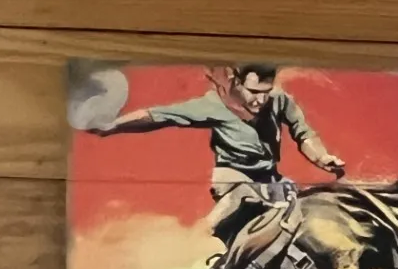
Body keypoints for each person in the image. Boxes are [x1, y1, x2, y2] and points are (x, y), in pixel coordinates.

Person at [91, 64, 347, 241]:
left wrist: (323, 158)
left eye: (265, 94)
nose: (260, 100)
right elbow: (159, 116)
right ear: (237, 82)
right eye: (253, 92)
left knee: (310, 209)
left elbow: (303, 133)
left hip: (271, 179)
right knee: (243, 197)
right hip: (233, 180)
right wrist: (112, 126)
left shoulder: (280, 101)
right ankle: (202, 240)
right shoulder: (214, 104)